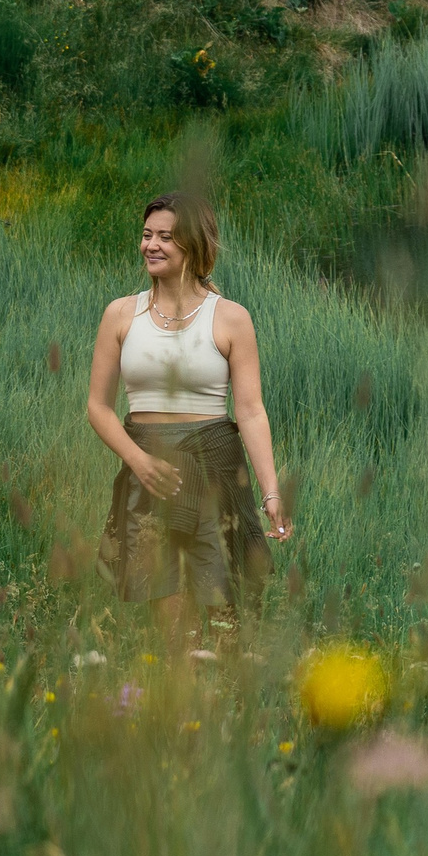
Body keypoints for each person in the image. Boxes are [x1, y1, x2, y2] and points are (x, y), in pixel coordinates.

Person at [85, 192, 288, 625]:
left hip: (215, 471)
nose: (150, 245)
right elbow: (98, 407)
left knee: (222, 612)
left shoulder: (230, 318)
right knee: (170, 619)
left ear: (194, 245)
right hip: (150, 473)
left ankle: (227, 685)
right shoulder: (121, 314)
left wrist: (271, 491)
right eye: (146, 235)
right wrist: (138, 461)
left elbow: (250, 411)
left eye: (165, 237)